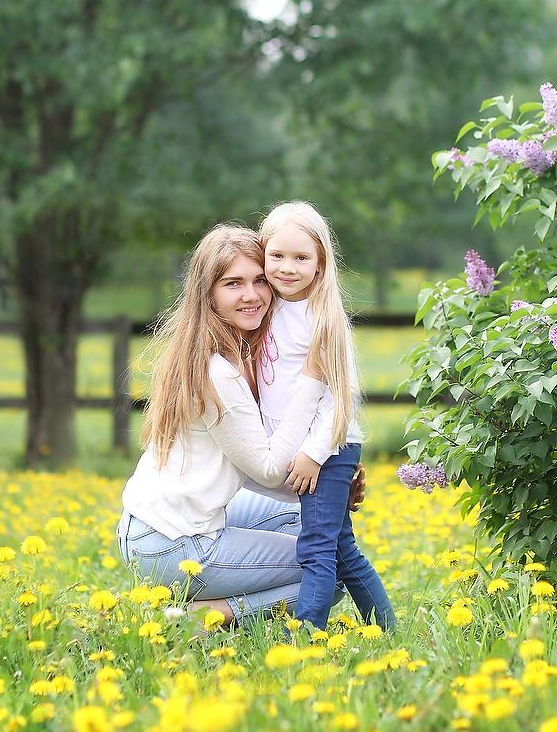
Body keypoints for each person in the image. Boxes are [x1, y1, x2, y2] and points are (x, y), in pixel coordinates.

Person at [116, 224, 332, 625]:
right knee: (327, 566)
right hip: (172, 545)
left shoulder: (226, 352)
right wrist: (313, 378)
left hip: (149, 528)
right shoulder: (218, 372)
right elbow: (267, 468)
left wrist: (325, 482)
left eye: (259, 281)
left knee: (311, 520)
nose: (251, 295)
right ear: (209, 294)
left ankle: (209, 599)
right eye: (233, 283)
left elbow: (246, 464)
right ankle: (206, 617)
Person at [257, 201, 395, 632]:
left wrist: (315, 454)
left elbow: (340, 398)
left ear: (320, 264)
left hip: (326, 448)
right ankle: (387, 629)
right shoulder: (266, 310)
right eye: (277, 255)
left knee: (317, 548)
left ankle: (306, 636)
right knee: (340, 547)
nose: (287, 267)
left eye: (301, 257)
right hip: (301, 448)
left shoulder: (323, 318)